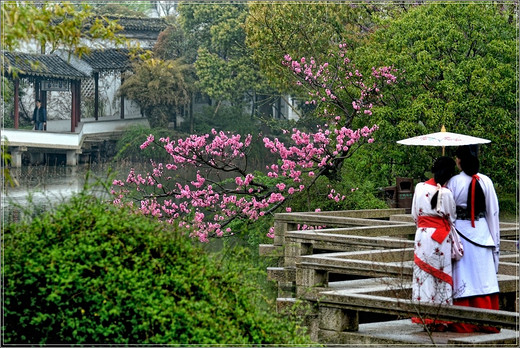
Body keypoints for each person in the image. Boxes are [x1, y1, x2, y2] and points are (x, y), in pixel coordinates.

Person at [446, 145, 501, 333]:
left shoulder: (453, 182)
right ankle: (488, 320)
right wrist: (495, 240)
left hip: (460, 234)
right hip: (483, 234)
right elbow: (493, 213)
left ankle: (464, 322)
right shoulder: (486, 181)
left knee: (464, 277)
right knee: (483, 277)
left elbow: (448, 212)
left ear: (459, 160)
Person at [411, 156, 457, 332]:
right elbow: (452, 217)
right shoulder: (447, 193)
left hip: (422, 235)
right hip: (441, 236)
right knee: (441, 275)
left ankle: (425, 316)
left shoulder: (419, 187)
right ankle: (441, 319)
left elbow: (415, 214)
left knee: (423, 275)